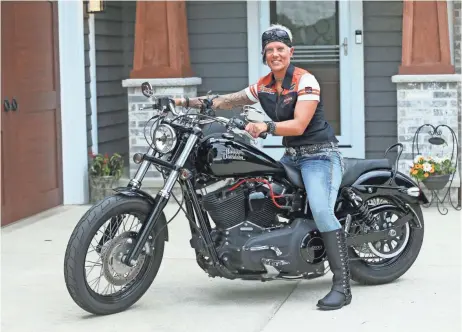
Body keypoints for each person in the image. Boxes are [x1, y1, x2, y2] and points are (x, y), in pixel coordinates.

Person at [174, 24, 351, 310]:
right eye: (269, 50)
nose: (275, 54)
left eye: (280, 49)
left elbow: (299, 124)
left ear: (290, 52)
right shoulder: (265, 85)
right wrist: (184, 102)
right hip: (293, 156)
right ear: (264, 55)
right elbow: (227, 100)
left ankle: (342, 286)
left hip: (320, 156)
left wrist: (265, 126)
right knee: (261, 191)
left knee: (320, 209)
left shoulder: (306, 81)